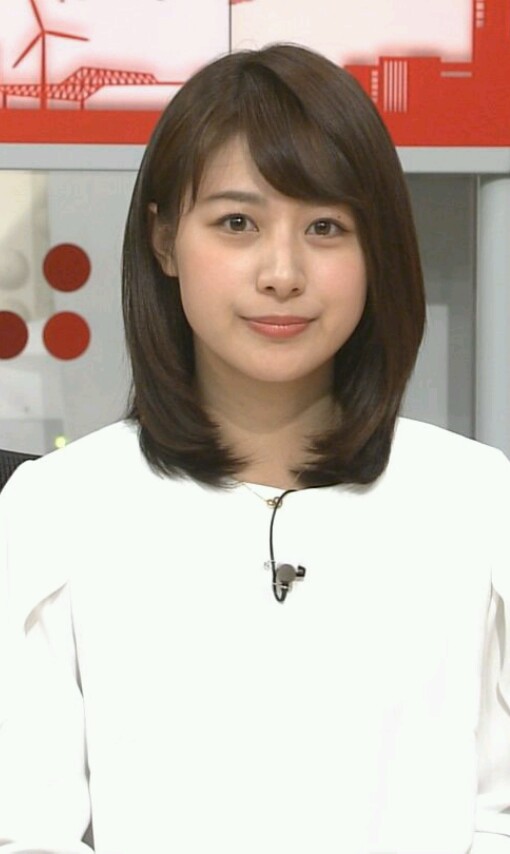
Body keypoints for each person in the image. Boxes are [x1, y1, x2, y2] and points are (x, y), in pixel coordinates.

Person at [0, 43, 509, 854]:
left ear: (376, 251)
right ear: (164, 240)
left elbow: (496, 814)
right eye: (237, 223)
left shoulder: (475, 500)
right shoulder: (58, 508)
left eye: (325, 227)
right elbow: (27, 830)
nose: (282, 272)